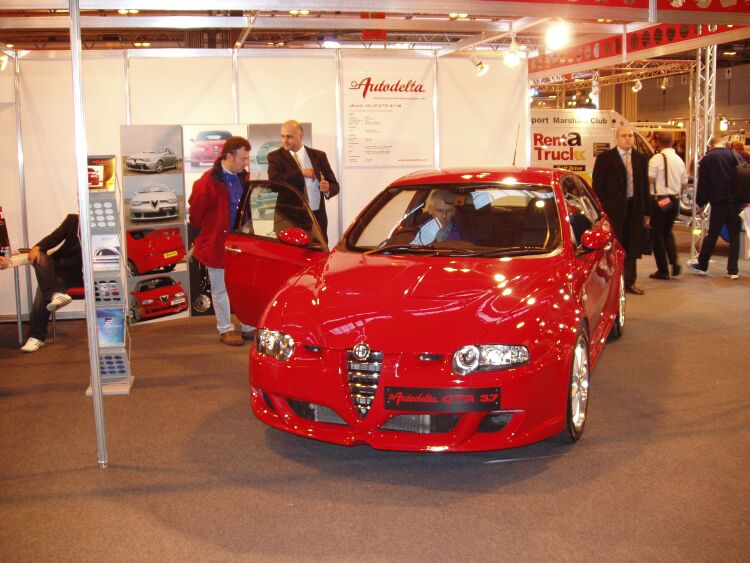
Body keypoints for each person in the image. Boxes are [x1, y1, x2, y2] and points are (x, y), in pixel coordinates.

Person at [189, 136, 255, 346]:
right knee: (220, 289)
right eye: (243, 158)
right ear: (229, 156)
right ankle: (225, 329)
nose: (246, 162)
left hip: (242, 244)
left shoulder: (245, 178)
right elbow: (196, 216)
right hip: (217, 243)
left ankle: (247, 326)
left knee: (243, 287)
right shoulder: (207, 182)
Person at [592, 125, 650, 295]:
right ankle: (612, 282)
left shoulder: (641, 159)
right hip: (614, 209)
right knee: (614, 244)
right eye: (624, 135)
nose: (628, 139)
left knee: (633, 245)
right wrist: (601, 210)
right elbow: (598, 185)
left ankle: (630, 282)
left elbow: (644, 187)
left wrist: (647, 212)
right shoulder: (605, 158)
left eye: (630, 136)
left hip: (634, 207)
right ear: (617, 138)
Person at [267, 120, 340, 241]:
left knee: (318, 254)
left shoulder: (319, 156)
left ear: (300, 136)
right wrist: (301, 173)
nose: (284, 140)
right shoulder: (275, 157)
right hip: (288, 218)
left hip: (316, 217)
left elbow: (334, 185)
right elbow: (274, 184)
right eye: (282, 136)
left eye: (289, 137)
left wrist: (327, 189)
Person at [20, 213, 83, 353]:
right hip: (59, 271)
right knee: (40, 257)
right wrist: (36, 248)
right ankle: (55, 293)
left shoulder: (103, 226)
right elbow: (55, 237)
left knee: (43, 288)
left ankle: (36, 336)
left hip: (80, 274)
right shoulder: (74, 220)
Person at [687, 136, 745, 279]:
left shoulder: (708, 158)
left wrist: (701, 203)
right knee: (735, 236)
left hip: (719, 202)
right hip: (737, 203)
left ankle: (702, 264)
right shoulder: (736, 155)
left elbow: (704, 183)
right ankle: (733, 270)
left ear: (710, 145)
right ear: (723, 144)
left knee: (712, 233)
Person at [647, 131, 688, 280]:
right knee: (667, 232)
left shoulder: (657, 159)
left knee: (657, 234)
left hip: (660, 200)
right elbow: (684, 184)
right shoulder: (679, 160)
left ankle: (663, 270)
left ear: (657, 142)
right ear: (672, 143)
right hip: (675, 200)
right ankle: (675, 262)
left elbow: (650, 179)